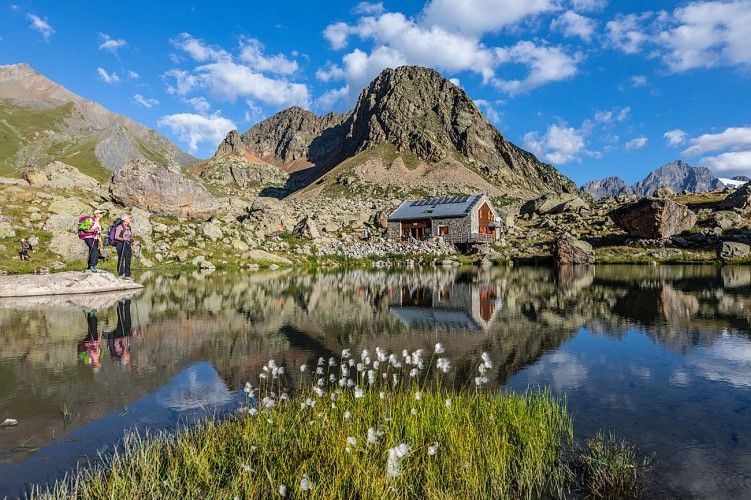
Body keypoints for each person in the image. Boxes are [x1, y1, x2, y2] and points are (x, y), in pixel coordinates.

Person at [108, 299, 134, 365]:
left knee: (121, 318)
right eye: (129, 357)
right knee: (128, 318)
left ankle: (120, 304)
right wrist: (131, 335)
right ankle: (127, 302)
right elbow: (128, 341)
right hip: (126, 332)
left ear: (124, 356)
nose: (129, 356)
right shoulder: (127, 349)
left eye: (127, 357)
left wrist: (123, 338)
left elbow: (116, 341)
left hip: (120, 333)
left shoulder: (119, 351)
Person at [114, 214, 134, 280]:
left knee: (128, 259)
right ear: (125, 219)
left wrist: (133, 242)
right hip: (120, 244)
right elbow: (116, 236)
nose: (130, 219)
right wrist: (123, 239)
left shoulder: (129, 227)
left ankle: (127, 275)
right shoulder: (120, 227)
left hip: (127, 244)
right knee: (121, 259)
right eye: (129, 218)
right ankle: (120, 274)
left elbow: (129, 237)